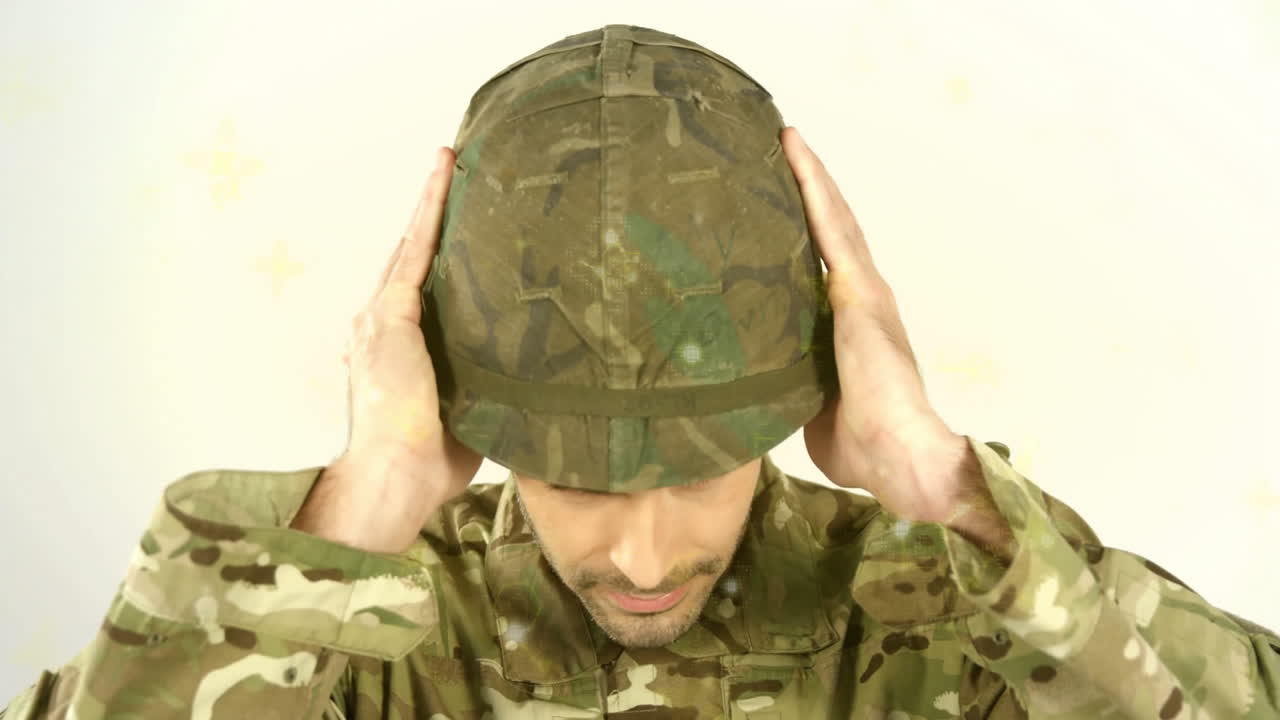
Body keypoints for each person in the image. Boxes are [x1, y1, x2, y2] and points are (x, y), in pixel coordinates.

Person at [5, 24, 1278, 720]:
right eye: (576, 477)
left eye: (700, 468)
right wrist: (359, 501)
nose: (645, 554)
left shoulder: (944, 628)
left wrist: (945, 486)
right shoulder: (358, 646)